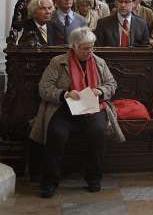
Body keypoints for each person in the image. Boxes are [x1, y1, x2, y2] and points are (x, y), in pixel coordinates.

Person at [30, 27, 120, 198]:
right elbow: (44, 88)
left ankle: (94, 177)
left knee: (98, 131)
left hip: (92, 107)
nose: (90, 51)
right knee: (56, 133)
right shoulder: (58, 62)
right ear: (74, 47)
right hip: (64, 109)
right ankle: (49, 181)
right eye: (85, 48)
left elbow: (112, 84)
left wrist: (100, 90)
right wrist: (64, 94)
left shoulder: (99, 62)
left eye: (92, 47)